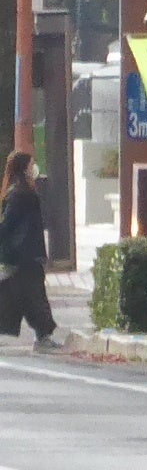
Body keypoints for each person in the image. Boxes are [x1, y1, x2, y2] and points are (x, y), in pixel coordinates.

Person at [0, 150, 59, 350]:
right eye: (31, 164)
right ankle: (42, 337)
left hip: (26, 254)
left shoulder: (22, 192)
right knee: (33, 297)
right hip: (24, 255)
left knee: (17, 297)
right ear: (23, 168)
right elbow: (8, 224)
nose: (34, 168)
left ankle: (42, 335)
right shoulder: (19, 194)